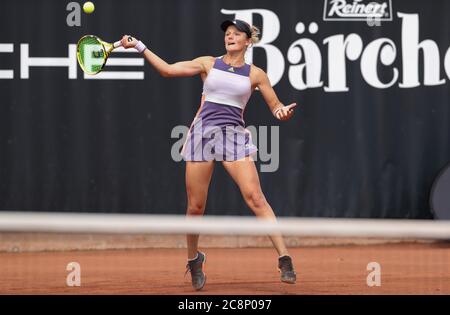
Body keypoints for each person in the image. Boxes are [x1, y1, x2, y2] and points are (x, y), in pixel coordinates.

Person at [121, 19, 298, 291]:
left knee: (255, 197)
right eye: (227, 33)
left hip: (234, 137)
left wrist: (282, 112)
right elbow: (168, 71)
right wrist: (140, 47)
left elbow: (275, 107)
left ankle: (284, 258)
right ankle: (194, 259)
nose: (230, 37)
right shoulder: (208, 63)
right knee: (195, 207)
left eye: (236, 34)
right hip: (202, 135)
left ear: (247, 40)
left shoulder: (256, 74)